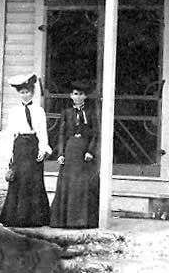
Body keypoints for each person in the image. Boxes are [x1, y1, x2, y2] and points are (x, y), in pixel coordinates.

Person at [0, 73, 51, 227]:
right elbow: (10, 133)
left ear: (33, 92)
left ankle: (35, 218)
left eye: (27, 91)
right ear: (18, 94)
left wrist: (43, 148)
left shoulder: (39, 111)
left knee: (34, 180)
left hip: (33, 145)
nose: (25, 95)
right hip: (20, 146)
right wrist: (9, 154)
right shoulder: (14, 111)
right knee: (19, 180)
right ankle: (16, 217)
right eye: (22, 92)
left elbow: (42, 131)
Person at [51, 82, 100, 229]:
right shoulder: (66, 112)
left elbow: (96, 133)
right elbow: (61, 134)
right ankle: (66, 220)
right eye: (75, 94)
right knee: (69, 183)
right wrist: (60, 153)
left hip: (84, 150)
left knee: (82, 184)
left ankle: (82, 220)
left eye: (80, 94)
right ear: (71, 96)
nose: (77, 97)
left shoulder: (91, 112)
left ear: (85, 96)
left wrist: (90, 151)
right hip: (70, 149)